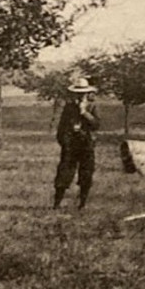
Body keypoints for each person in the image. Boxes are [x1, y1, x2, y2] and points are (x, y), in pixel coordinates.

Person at [53, 77, 99, 209]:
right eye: (77, 93)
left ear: (88, 93)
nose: (80, 96)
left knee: (86, 174)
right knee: (64, 173)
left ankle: (82, 204)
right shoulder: (69, 108)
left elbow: (96, 125)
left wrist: (84, 113)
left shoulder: (92, 107)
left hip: (87, 144)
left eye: (83, 93)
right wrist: (65, 142)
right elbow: (61, 128)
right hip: (70, 145)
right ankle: (56, 203)